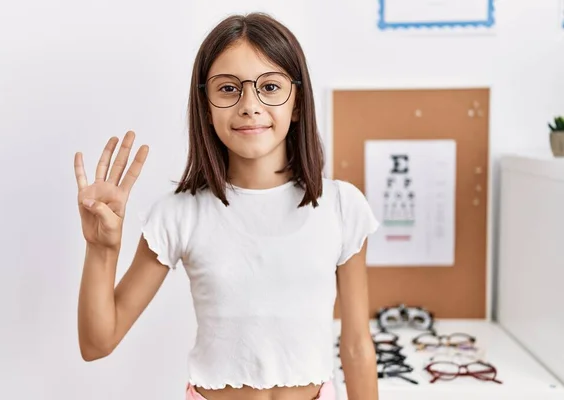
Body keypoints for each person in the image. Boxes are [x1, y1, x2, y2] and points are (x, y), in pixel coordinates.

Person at [75, 12, 380, 400]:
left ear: (298, 102)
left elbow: (356, 347)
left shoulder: (342, 207)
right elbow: (97, 343)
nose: (250, 105)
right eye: (228, 89)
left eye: (270, 87)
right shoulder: (179, 214)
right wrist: (102, 250)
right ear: (206, 106)